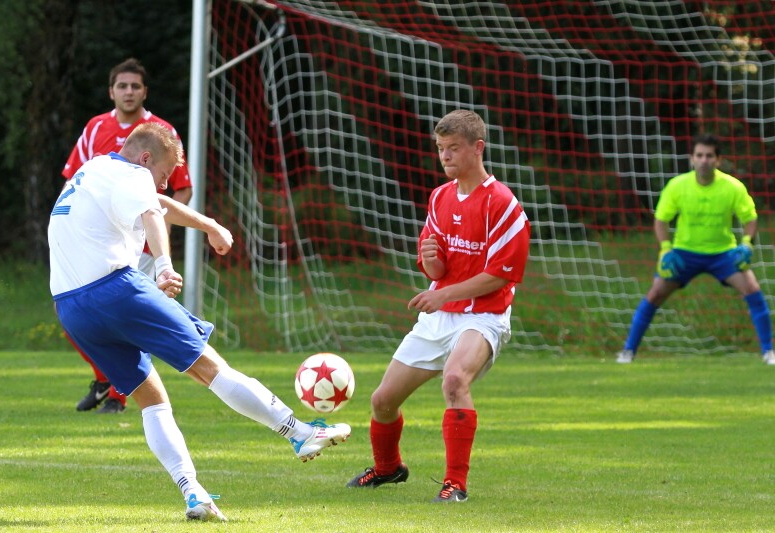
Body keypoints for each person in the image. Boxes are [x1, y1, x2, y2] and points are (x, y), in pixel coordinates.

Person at [48, 122, 351, 521]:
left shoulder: (96, 170)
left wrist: (209, 225)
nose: (163, 184)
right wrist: (164, 266)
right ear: (145, 159)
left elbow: (157, 202)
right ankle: (299, 432)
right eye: (163, 174)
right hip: (115, 290)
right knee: (212, 369)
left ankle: (194, 494)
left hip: (70, 308)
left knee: (152, 400)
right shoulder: (134, 175)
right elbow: (152, 211)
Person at [346, 110, 531, 502]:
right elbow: (437, 269)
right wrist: (431, 261)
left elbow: (501, 275)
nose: (445, 156)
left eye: (453, 148)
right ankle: (388, 468)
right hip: (440, 315)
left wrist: (443, 294)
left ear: (477, 148)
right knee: (382, 401)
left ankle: (455, 485)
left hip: (483, 316)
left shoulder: (503, 204)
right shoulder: (440, 196)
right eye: (441, 148)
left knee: (455, 379)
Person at [62, 58, 193, 414]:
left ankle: (118, 398)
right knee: (72, 317)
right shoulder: (95, 128)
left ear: (145, 92)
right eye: (122, 86)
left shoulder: (161, 132)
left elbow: (180, 188)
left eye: (135, 86)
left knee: (129, 320)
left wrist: (160, 231)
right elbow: (74, 179)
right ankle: (105, 378)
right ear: (112, 91)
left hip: (141, 245)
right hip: (95, 242)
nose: (129, 92)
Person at [616, 133, 773, 364]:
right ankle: (628, 351)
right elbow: (661, 220)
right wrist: (666, 250)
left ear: (718, 160)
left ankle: (769, 352)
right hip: (684, 254)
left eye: (709, 156)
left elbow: (750, 218)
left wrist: (747, 244)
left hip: (723, 253)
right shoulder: (677, 186)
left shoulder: (732, 187)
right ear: (691, 158)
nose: (704, 161)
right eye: (699, 155)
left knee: (752, 289)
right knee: (656, 292)